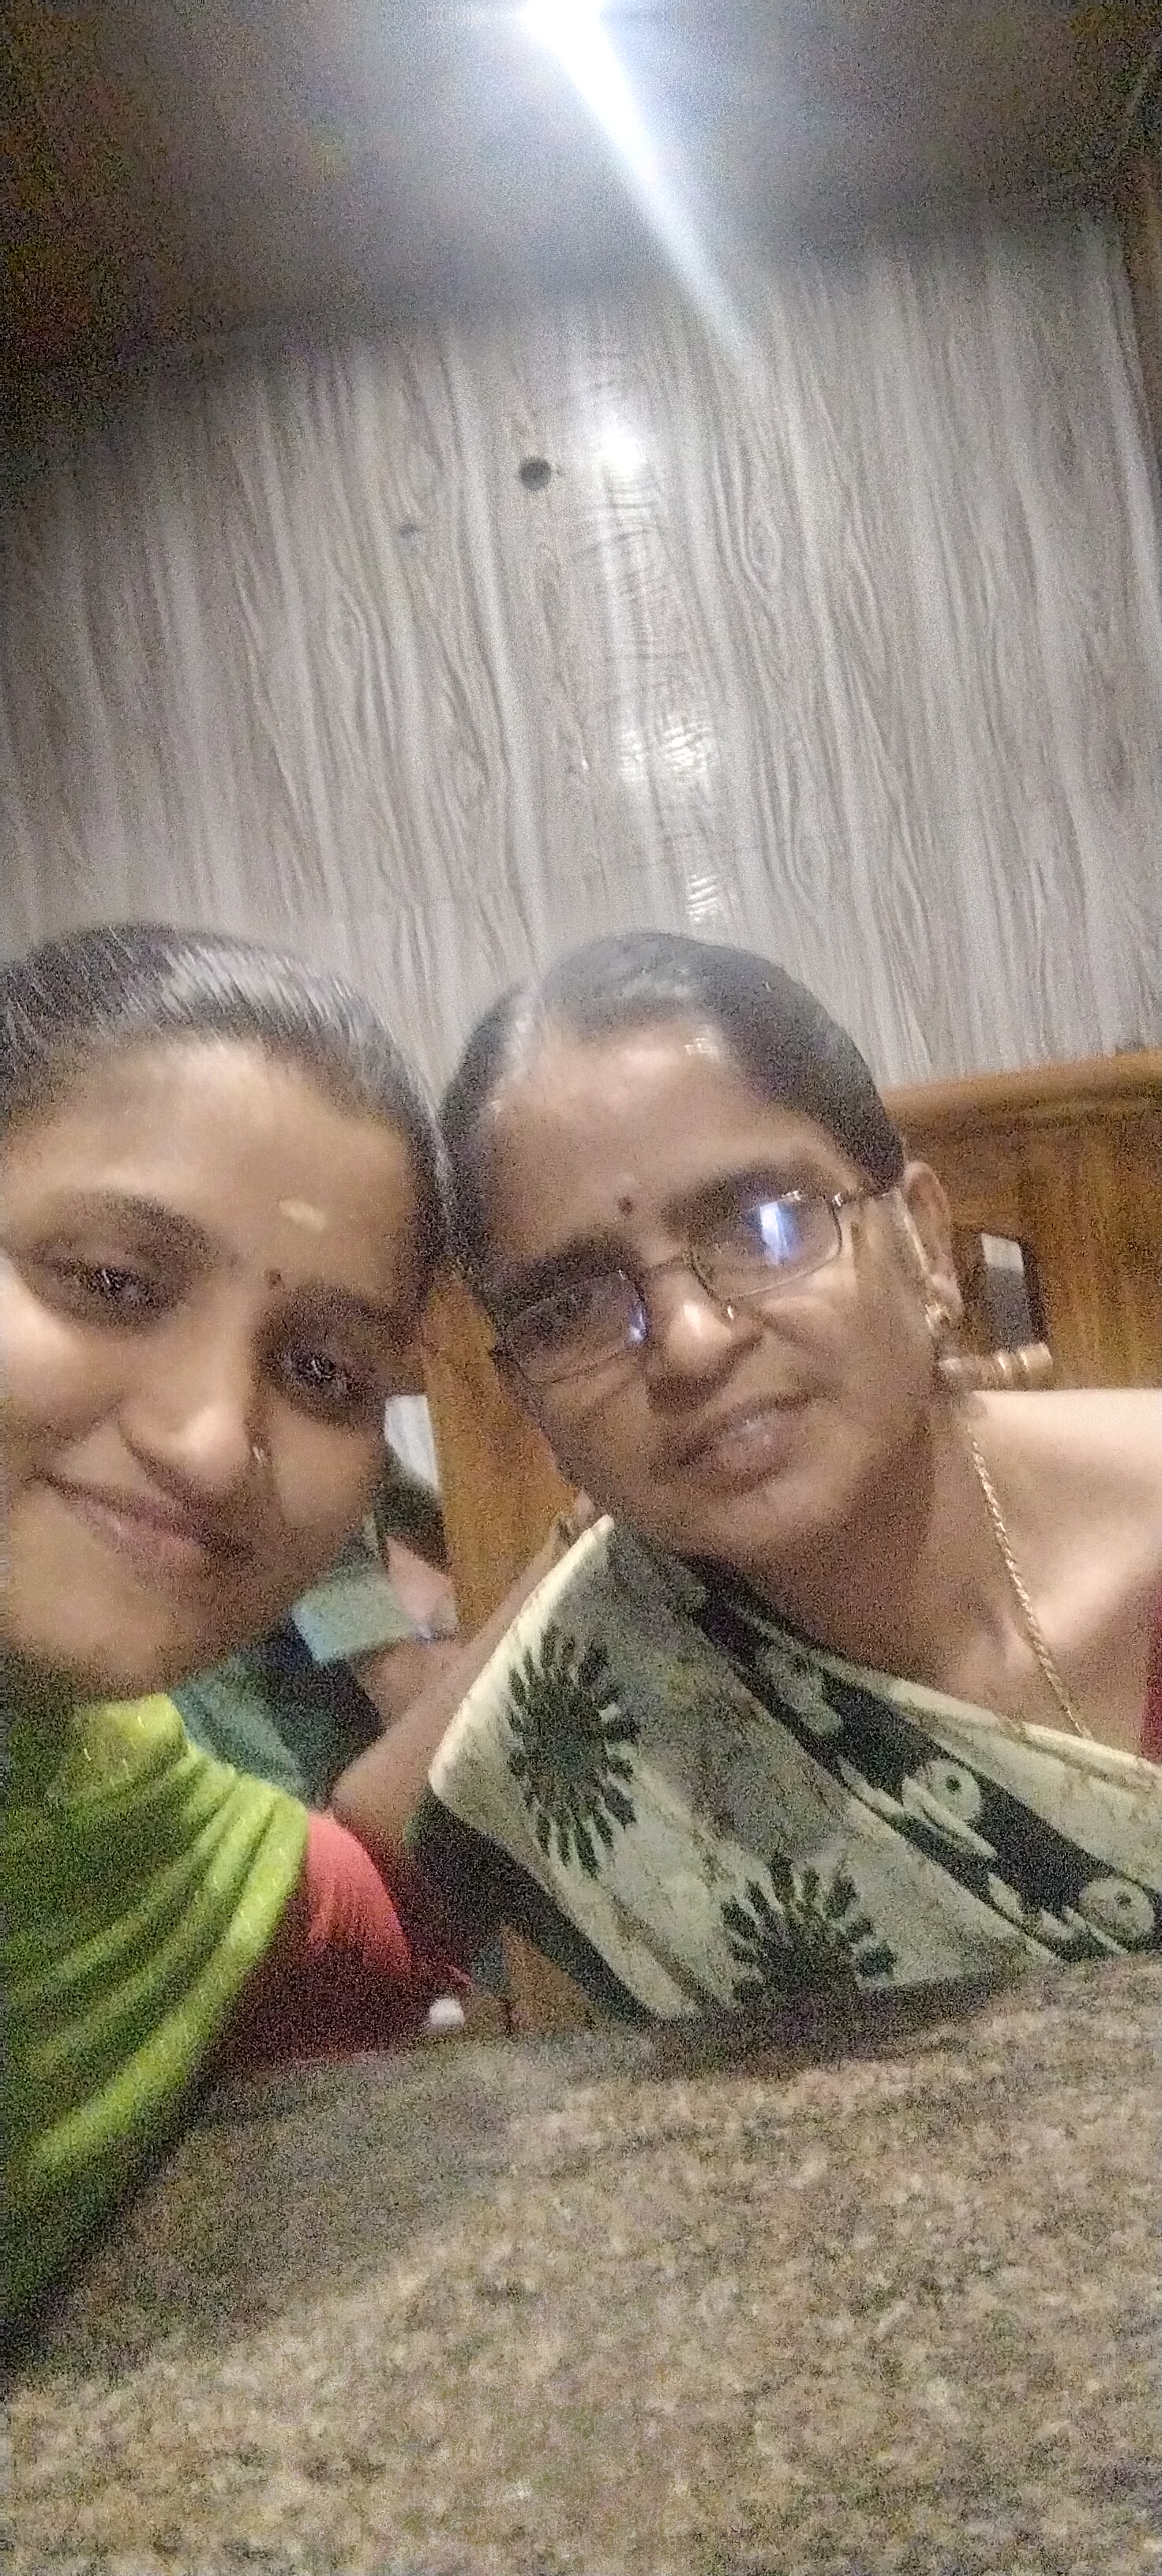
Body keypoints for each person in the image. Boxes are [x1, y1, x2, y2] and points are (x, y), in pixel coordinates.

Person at [334, 931, 1162, 2024]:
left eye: (767, 1227)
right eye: (571, 1309)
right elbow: (349, 1915)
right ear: (527, 1395)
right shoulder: (596, 1672)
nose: (689, 1343)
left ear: (923, 1241)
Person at [2, 923, 462, 2326]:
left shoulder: (109, 1793)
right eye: (113, 1283)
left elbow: (352, 1918)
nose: (210, 1447)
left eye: (322, 1371)